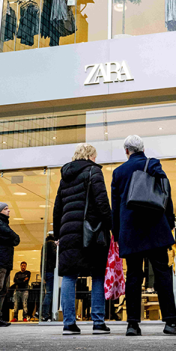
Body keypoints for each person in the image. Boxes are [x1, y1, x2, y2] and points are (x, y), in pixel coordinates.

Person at [112, 135, 176, 337]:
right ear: (143, 149)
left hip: (130, 230)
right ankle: (171, 322)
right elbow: (166, 192)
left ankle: (132, 324)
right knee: (162, 273)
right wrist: (170, 220)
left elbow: (115, 207)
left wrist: (117, 233)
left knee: (134, 276)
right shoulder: (153, 164)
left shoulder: (118, 172)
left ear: (126, 151)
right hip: (154, 227)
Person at [53, 143, 112, 335]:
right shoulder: (93, 171)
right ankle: (98, 322)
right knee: (97, 274)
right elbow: (102, 201)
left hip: (68, 232)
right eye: (95, 156)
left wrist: (57, 234)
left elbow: (57, 207)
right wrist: (112, 227)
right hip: (91, 232)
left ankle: (68, 324)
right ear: (90, 156)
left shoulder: (65, 177)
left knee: (69, 275)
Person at [40, 233, 57, 321]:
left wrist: (42, 274)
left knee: (48, 293)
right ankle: (45, 314)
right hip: (51, 271)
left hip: (46, 272)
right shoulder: (52, 244)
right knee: (50, 293)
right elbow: (55, 256)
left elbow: (42, 262)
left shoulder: (44, 245)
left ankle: (44, 313)